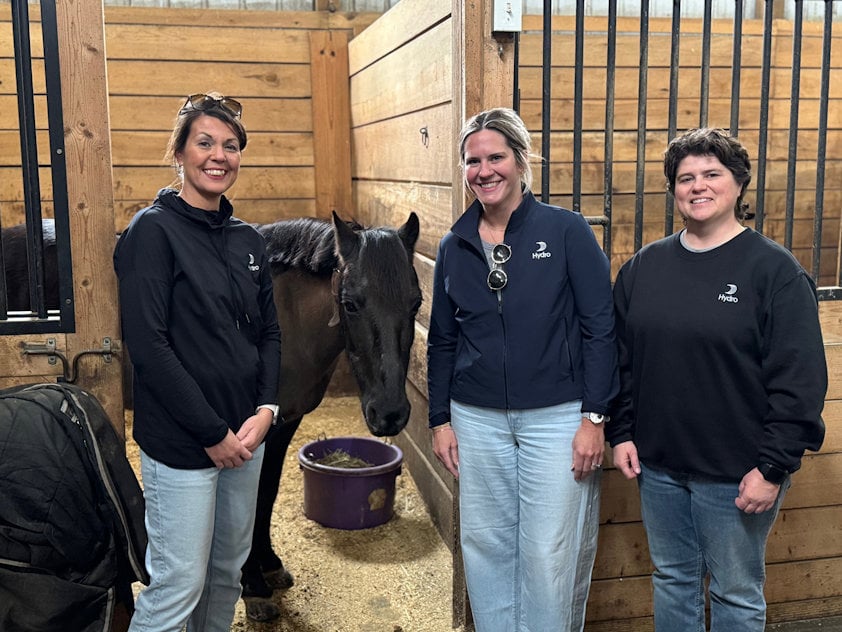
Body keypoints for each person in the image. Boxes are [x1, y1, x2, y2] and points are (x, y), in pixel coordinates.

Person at [608, 127, 827, 631]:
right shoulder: (644, 267)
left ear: (738, 185)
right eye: (685, 177)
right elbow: (621, 359)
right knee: (673, 579)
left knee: (735, 592)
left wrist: (773, 466)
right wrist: (620, 431)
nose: (697, 186)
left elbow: (801, 379)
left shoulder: (774, 272)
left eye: (712, 174)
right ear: (673, 189)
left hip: (737, 473)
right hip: (659, 468)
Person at [427, 107, 618, 631]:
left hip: (558, 417)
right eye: (473, 161)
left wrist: (593, 418)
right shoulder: (455, 245)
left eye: (496, 157)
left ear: (521, 160)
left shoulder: (566, 231)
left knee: (548, 550)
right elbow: (442, 339)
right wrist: (439, 420)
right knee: (486, 544)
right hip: (476, 417)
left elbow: (600, 328)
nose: (484, 170)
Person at [114, 92, 282, 632]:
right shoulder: (152, 232)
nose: (219, 156)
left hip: (246, 439)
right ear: (180, 153)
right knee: (178, 583)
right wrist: (212, 432)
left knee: (226, 574)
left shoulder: (247, 240)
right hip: (187, 443)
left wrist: (267, 409)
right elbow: (150, 348)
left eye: (231, 146)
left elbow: (271, 334)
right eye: (205, 142)